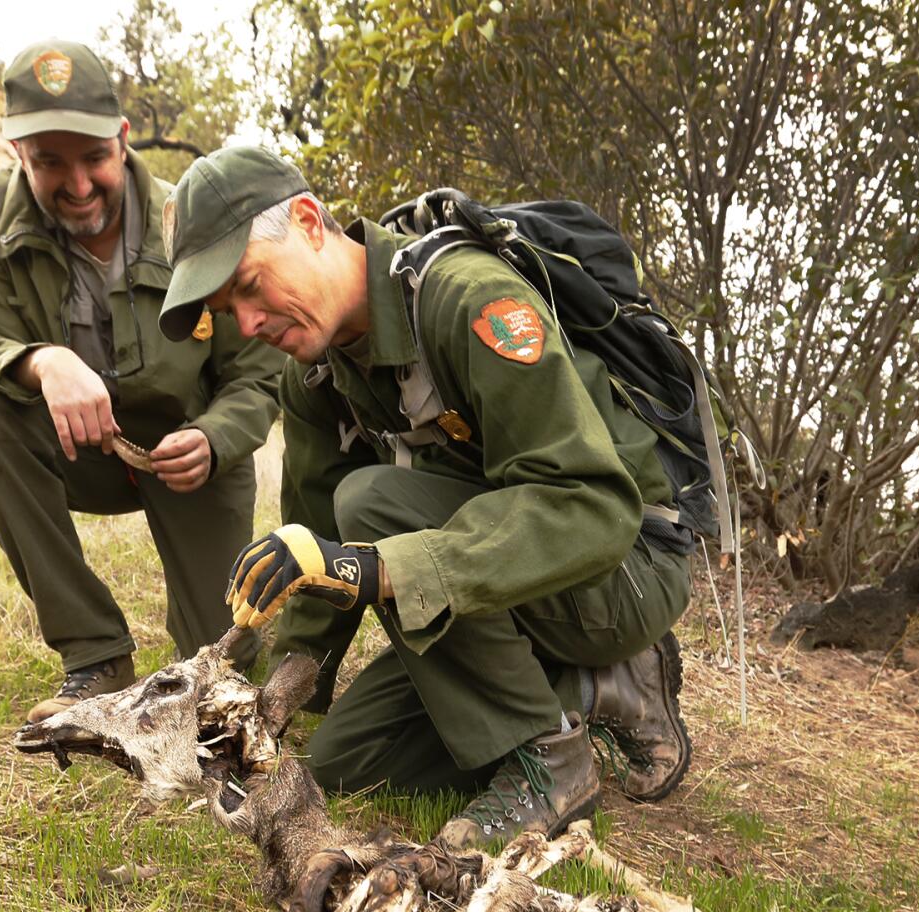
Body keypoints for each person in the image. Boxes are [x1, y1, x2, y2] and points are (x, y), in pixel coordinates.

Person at [154, 147, 695, 851]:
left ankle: (553, 764)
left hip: (623, 568)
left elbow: (593, 506)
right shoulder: (314, 375)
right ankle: (600, 691)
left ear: (312, 222)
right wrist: (280, 697)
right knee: (349, 759)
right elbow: (314, 543)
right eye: (230, 310)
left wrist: (386, 570)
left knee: (373, 503)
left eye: (251, 285)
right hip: (512, 577)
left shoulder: (467, 300)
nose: (249, 324)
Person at [0, 42, 284, 722]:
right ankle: (95, 654)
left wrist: (215, 439)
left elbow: (256, 377)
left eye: (93, 158)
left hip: (189, 458)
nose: (77, 185)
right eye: (49, 161)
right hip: (80, 449)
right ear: (18, 153)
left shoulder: (190, 216)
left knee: (217, 670)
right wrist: (45, 361)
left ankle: (217, 652)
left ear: (124, 139)